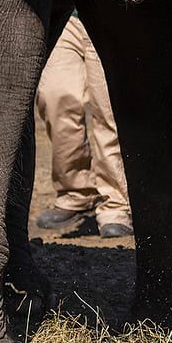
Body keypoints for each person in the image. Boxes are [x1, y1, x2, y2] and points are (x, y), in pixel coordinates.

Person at [33, 15, 132, 238]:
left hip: (106, 16)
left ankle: (116, 205)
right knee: (54, 95)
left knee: (107, 109)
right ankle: (77, 191)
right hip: (66, 18)